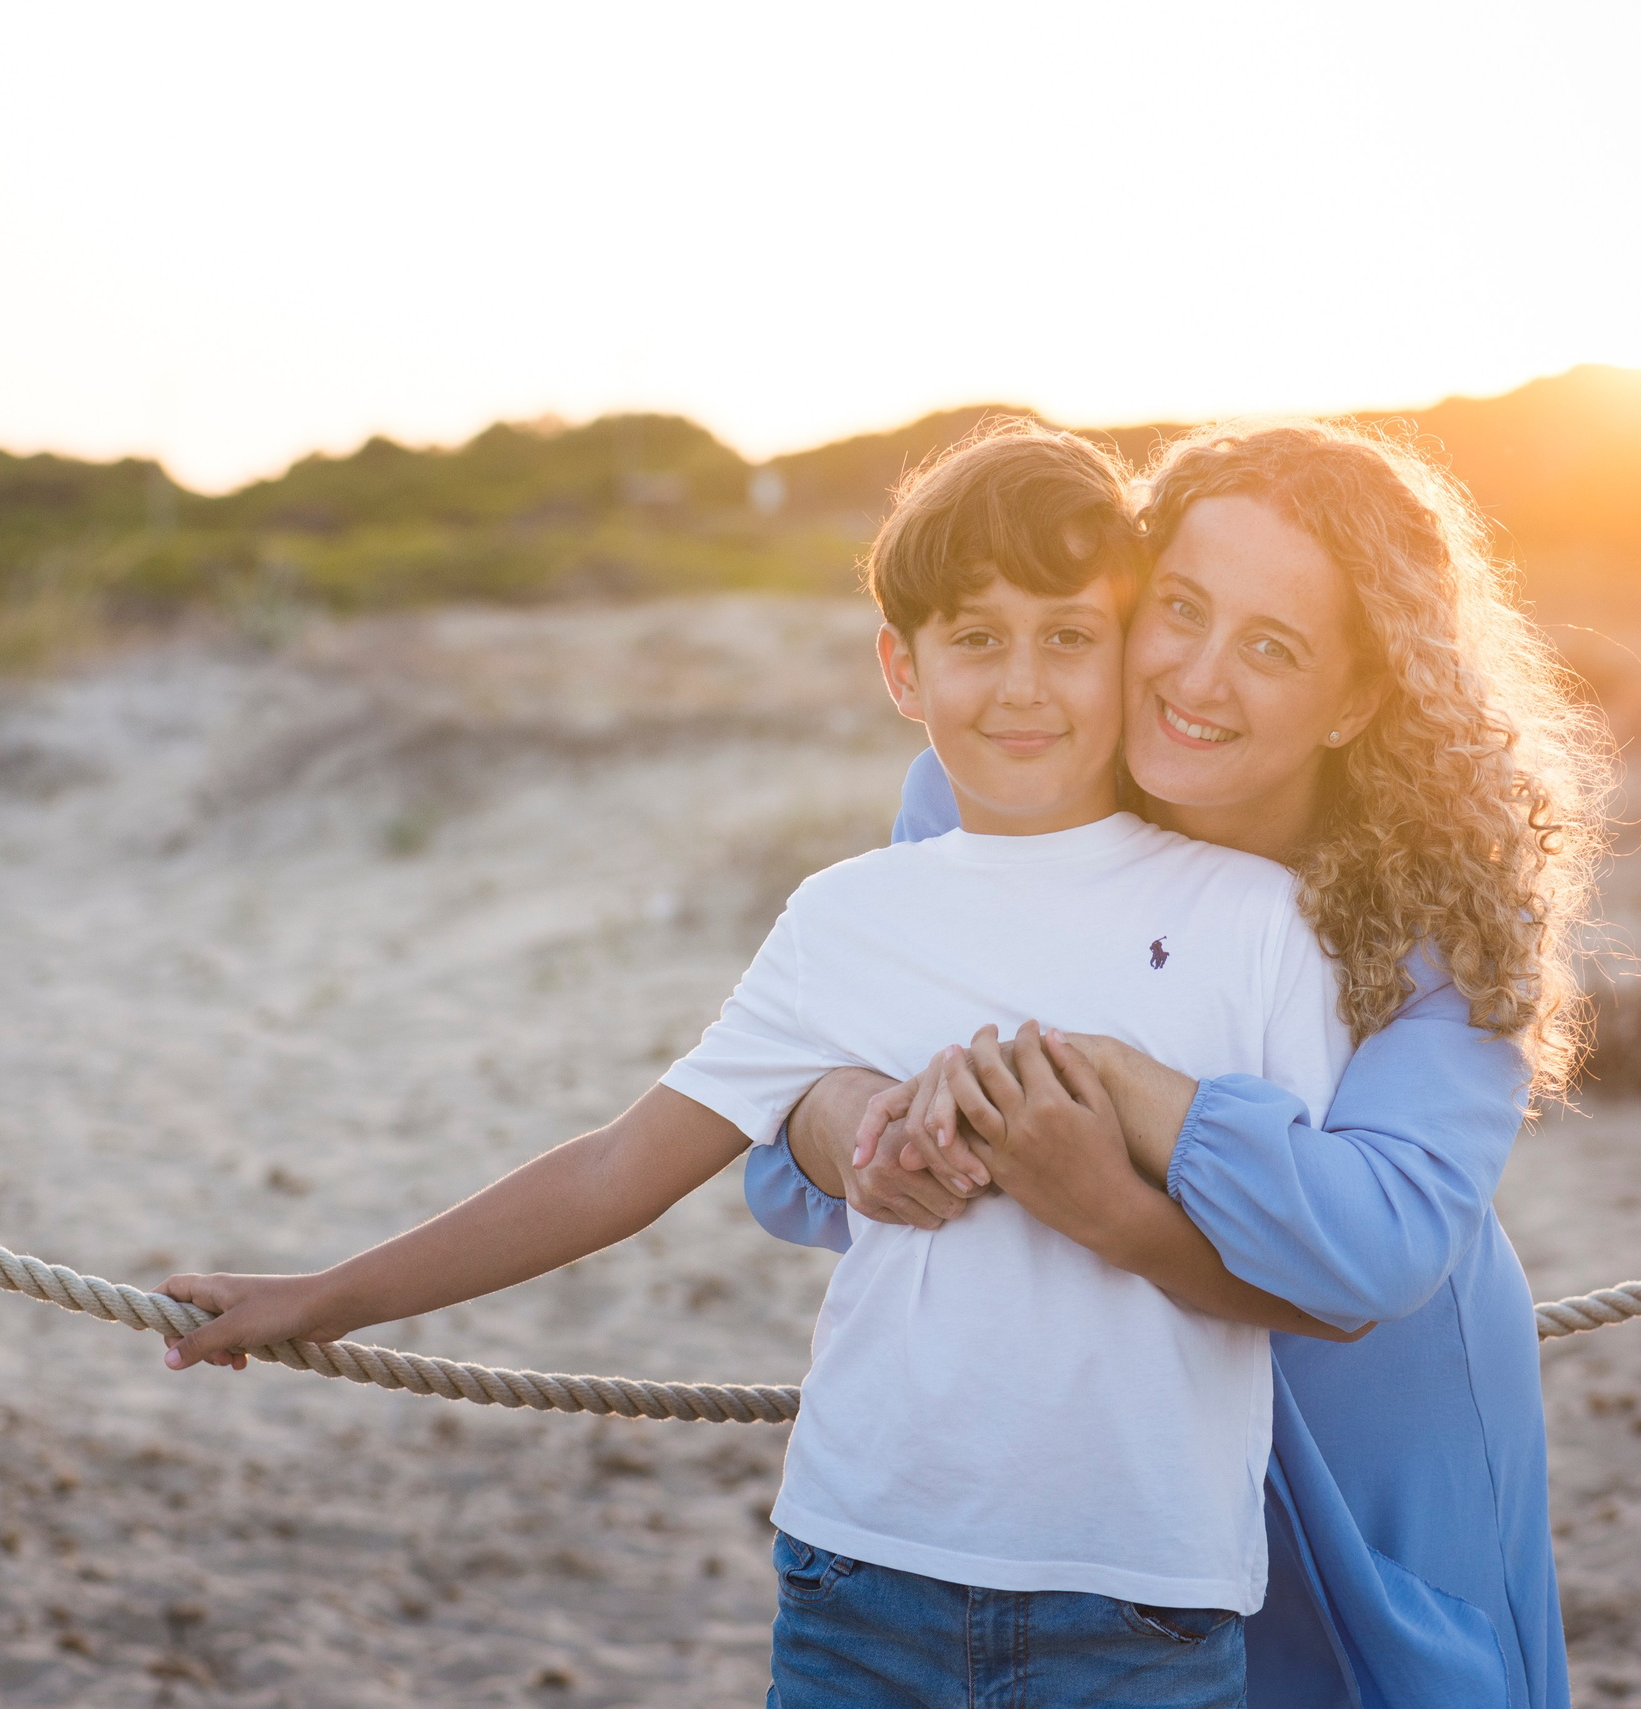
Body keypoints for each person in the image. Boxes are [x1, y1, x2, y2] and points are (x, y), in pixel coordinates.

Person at [156, 423, 1372, 1708]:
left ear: (1129, 650)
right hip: (862, 1578)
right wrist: (324, 1295)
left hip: (1144, 1607)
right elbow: (621, 1166)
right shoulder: (842, 918)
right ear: (901, 668)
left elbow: (1321, 1280)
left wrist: (1100, 1192)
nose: (1023, 684)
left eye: (1069, 634)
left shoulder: (1259, 921)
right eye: (974, 637)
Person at [749, 417, 1611, 1709]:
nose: (1199, 679)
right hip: (1111, 1432)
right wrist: (845, 1114)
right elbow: (797, 1161)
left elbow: (1378, 1246)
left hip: (1371, 1403)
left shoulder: (1450, 906)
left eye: (1272, 647)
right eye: (1180, 611)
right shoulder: (988, 797)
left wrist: (1134, 1117)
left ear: (1359, 694)